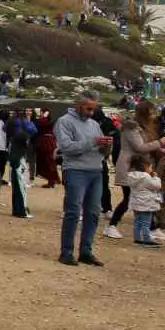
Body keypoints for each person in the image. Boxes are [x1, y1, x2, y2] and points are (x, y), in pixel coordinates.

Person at [56, 91, 111, 267]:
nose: (91, 113)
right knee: (73, 211)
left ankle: (86, 251)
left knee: (93, 213)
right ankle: (67, 252)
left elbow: (100, 148)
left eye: (93, 109)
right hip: (75, 170)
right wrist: (93, 142)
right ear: (78, 106)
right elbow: (66, 147)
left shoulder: (94, 124)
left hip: (96, 171)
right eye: (88, 109)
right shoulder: (64, 122)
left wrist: (107, 146)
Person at [105, 101, 165, 242]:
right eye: (152, 113)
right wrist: (160, 143)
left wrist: (158, 149)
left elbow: (145, 145)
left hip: (141, 166)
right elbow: (139, 147)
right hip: (130, 166)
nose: (154, 116)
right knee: (130, 198)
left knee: (145, 197)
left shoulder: (144, 127)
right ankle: (111, 226)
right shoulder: (132, 127)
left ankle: (152, 228)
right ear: (144, 114)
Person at [125, 153, 164, 248]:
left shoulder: (131, 176)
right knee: (146, 222)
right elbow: (157, 185)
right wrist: (156, 177)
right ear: (145, 167)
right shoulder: (146, 177)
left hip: (136, 203)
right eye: (150, 167)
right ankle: (147, 239)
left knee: (138, 221)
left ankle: (137, 238)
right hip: (146, 203)